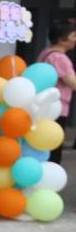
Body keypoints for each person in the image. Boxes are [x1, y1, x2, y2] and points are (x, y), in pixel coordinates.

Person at [37, 19, 76, 164]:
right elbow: (73, 83)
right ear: (61, 39)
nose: (75, 39)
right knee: (54, 148)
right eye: (73, 35)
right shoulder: (60, 58)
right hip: (57, 109)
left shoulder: (46, 53)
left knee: (43, 145)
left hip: (44, 106)